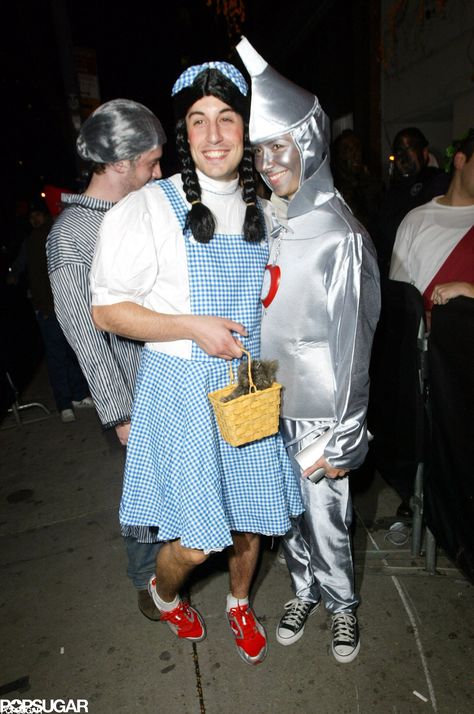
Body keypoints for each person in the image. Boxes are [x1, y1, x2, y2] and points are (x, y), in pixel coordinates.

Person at [89, 61, 303, 666]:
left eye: (227, 119)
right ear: (183, 133)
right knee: (194, 541)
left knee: (252, 515)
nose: (214, 135)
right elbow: (107, 312)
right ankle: (162, 591)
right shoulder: (148, 208)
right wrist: (190, 326)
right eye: (198, 121)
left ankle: (239, 604)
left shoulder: (270, 207)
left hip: (250, 382)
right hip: (182, 388)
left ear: (245, 129)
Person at [236, 37, 381, 663]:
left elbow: (353, 341)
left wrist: (347, 432)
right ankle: (304, 589)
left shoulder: (340, 236)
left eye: (278, 148)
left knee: (326, 515)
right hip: (272, 396)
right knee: (287, 509)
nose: (268, 163)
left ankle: (342, 602)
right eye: (260, 153)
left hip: (323, 405)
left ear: (310, 143)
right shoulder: (274, 220)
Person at [46, 99, 166, 620]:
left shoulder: (138, 210)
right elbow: (82, 331)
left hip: (168, 372)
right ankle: (146, 579)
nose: (158, 173)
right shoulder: (72, 234)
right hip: (132, 392)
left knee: (174, 483)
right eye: (150, 163)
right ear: (120, 164)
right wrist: (118, 412)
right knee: (145, 491)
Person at [390, 129, 474, 329]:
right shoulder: (415, 220)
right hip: (425, 353)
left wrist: (467, 289)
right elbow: (399, 296)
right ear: (460, 161)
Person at [25, 199, 93, 423]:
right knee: (57, 357)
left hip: (65, 304)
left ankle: (79, 395)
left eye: (38, 215)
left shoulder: (55, 233)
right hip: (48, 310)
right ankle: (64, 404)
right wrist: (44, 308)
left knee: (73, 352)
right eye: (31, 217)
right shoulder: (33, 240)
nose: (35, 219)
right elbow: (36, 278)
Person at [375, 127, 450, 278]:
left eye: (408, 149)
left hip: (421, 268)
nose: (402, 157)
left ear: (424, 152)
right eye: (398, 151)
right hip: (391, 270)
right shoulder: (391, 189)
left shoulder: (437, 180)